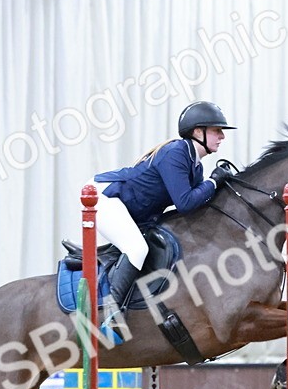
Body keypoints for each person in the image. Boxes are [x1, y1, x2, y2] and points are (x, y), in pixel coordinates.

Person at [92, 101, 238, 315]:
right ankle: (109, 311)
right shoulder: (176, 153)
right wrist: (214, 182)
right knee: (137, 248)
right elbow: (185, 202)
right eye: (217, 131)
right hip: (103, 195)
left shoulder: (195, 165)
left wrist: (217, 186)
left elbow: (197, 204)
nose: (222, 136)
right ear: (199, 132)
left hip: (128, 205)